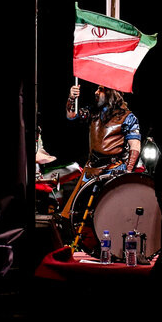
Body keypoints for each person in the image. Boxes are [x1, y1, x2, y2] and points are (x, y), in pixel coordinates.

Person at [58, 82, 142, 247]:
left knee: (111, 212)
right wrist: (71, 99)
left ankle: (115, 246)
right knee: (77, 212)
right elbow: (71, 116)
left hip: (113, 170)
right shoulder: (93, 112)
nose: (96, 92)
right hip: (92, 169)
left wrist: (127, 173)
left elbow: (135, 147)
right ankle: (85, 244)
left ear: (112, 92)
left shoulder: (128, 117)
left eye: (101, 89)